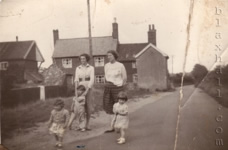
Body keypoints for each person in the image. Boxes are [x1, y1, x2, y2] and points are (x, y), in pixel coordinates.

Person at [103, 50, 127, 132]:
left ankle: (119, 126)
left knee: (119, 106)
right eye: (108, 56)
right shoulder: (106, 66)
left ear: (114, 56)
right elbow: (106, 77)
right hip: (108, 87)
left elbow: (124, 78)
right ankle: (111, 127)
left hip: (118, 88)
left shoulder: (120, 65)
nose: (108, 57)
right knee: (109, 106)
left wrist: (120, 87)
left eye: (110, 55)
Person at [74, 53, 95, 130]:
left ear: (87, 59)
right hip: (80, 87)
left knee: (88, 106)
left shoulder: (91, 68)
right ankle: (81, 125)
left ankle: (87, 124)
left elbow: (92, 79)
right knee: (80, 107)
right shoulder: (78, 68)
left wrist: (87, 90)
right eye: (81, 59)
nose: (82, 60)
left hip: (88, 86)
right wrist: (76, 91)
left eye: (84, 58)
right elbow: (76, 79)